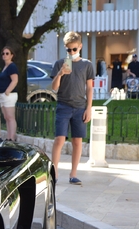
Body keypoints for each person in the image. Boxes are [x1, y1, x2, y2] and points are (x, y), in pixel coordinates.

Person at [50, 31, 95, 186]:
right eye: (68, 50)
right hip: (63, 105)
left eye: (74, 49)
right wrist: (60, 73)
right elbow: (54, 88)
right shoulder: (59, 64)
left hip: (80, 107)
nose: (71, 52)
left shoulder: (87, 65)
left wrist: (89, 108)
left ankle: (73, 174)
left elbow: (89, 88)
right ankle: (54, 173)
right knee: (59, 139)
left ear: (80, 46)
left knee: (77, 141)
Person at [0, 46, 19, 141]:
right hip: (2, 95)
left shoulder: (12, 66)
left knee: (10, 116)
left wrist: (7, 91)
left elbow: (15, 80)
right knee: (6, 117)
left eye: (7, 53)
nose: (5, 55)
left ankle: (11, 138)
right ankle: (8, 137)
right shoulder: (4, 67)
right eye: (3, 53)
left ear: (11, 55)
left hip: (9, 95)